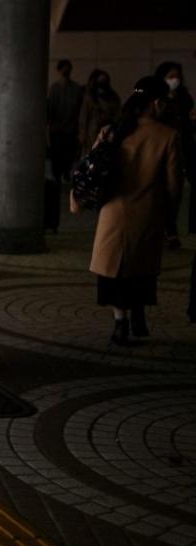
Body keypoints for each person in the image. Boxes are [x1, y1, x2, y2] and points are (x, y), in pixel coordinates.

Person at [89, 76, 182, 345]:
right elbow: (174, 185)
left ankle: (121, 323)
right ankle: (138, 314)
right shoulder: (168, 136)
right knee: (140, 271)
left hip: (113, 214)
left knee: (115, 273)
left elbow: (93, 168)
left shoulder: (112, 131)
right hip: (147, 215)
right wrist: (170, 217)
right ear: (156, 103)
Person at [153, 61, 195, 247]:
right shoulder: (158, 99)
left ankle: (170, 227)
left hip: (181, 148)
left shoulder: (185, 98)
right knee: (162, 190)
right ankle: (165, 228)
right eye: (170, 76)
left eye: (177, 76)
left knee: (175, 190)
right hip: (162, 148)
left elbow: (187, 123)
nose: (174, 80)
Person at [47, 59, 84, 184]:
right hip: (58, 128)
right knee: (57, 154)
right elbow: (51, 109)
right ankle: (58, 175)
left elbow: (79, 108)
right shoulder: (54, 88)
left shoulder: (76, 89)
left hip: (70, 128)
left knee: (68, 153)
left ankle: (65, 173)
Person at [78, 69, 121, 157]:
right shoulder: (89, 97)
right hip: (92, 134)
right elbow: (84, 118)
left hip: (108, 131)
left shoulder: (113, 97)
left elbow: (118, 115)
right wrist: (83, 136)